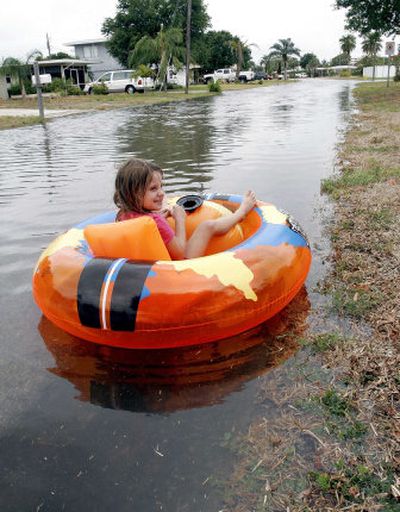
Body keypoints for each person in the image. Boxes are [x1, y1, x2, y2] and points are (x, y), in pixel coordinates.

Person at [114, 158, 256, 260]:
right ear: (133, 194)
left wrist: (161, 218)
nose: (161, 193)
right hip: (180, 267)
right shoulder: (156, 221)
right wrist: (180, 219)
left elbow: (144, 235)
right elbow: (180, 253)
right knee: (206, 226)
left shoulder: (122, 215)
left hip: (147, 268)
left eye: (161, 186)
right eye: (153, 189)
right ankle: (241, 212)